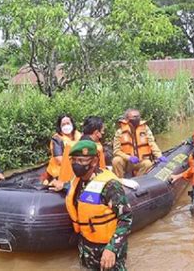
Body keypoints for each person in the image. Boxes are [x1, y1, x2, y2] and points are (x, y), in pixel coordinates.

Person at [52, 140, 132, 270]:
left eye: (82, 160)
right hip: (87, 248)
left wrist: (112, 249)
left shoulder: (110, 185)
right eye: (74, 160)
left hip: (107, 249)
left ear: (94, 161)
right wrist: (61, 186)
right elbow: (79, 193)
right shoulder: (77, 181)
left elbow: (126, 218)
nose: (76, 164)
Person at [112, 109, 167, 178]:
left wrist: (159, 155)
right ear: (127, 119)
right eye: (134, 117)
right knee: (116, 160)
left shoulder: (145, 129)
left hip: (141, 161)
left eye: (138, 117)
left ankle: (137, 181)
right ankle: (120, 181)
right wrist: (129, 158)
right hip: (127, 162)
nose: (136, 119)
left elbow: (152, 143)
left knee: (148, 163)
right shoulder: (120, 132)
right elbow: (116, 151)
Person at [45, 114, 81, 183]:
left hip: (77, 167)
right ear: (60, 127)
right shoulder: (57, 139)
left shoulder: (78, 135)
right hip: (60, 171)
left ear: (72, 124)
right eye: (63, 124)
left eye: (68, 123)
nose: (66, 126)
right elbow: (59, 159)